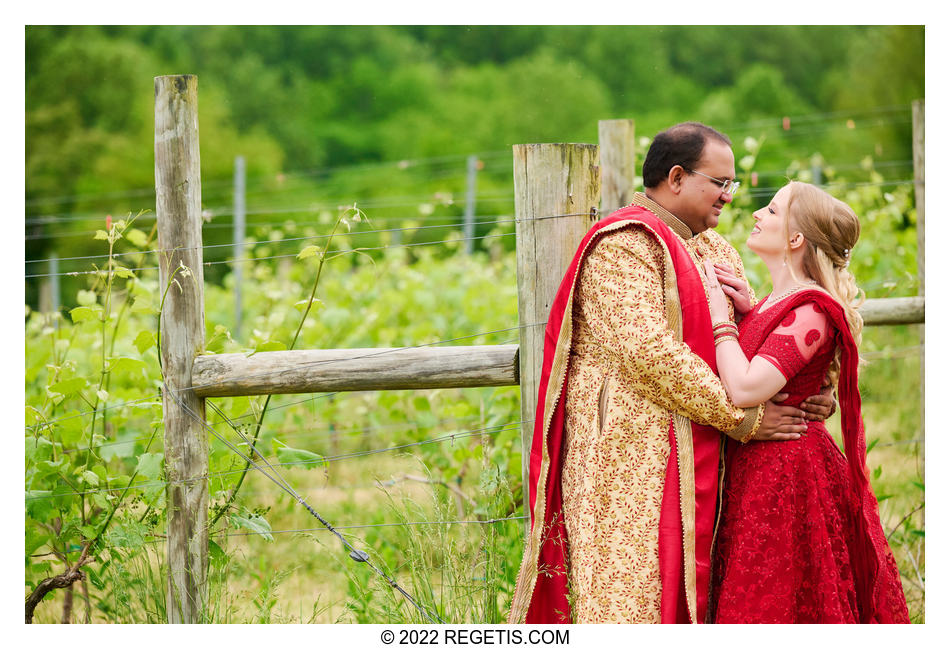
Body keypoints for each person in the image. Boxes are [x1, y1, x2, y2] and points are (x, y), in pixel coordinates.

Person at [507, 122, 834, 624]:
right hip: (629, 459)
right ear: (677, 177)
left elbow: (748, 345)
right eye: (719, 183)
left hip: (711, 455)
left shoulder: (716, 250)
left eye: (732, 184)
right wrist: (746, 419)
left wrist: (804, 391)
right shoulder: (625, 246)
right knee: (631, 600)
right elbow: (653, 355)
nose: (729, 196)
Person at [703, 181, 910, 623]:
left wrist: (722, 322)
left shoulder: (811, 310)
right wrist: (748, 314)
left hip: (789, 475)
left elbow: (742, 389)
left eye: (773, 211)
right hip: (761, 469)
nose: (758, 214)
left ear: (795, 240)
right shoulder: (778, 302)